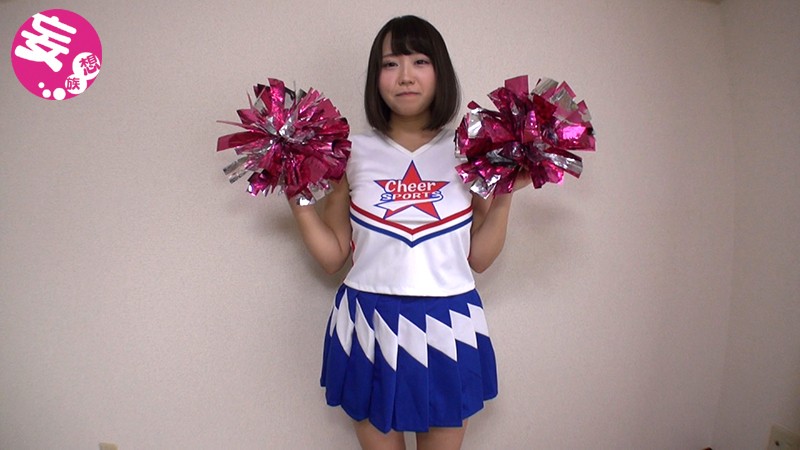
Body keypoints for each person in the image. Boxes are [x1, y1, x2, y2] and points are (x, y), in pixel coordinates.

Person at [288, 15, 524, 450]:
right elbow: (333, 256)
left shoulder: (470, 150)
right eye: (390, 63)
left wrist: (505, 192)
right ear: (376, 76)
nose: (405, 76)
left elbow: (480, 258)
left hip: (448, 321)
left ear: (440, 71)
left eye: (420, 61)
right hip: (368, 322)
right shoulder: (350, 153)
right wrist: (296, 195)